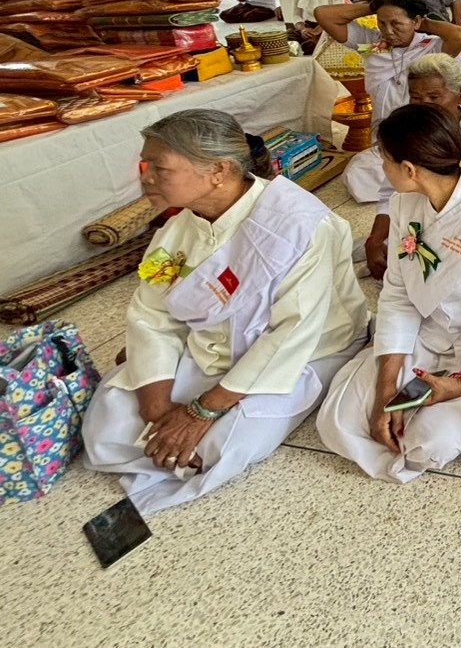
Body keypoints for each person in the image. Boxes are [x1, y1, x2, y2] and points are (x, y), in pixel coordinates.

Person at [81, 110, 368, 515]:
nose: (145, 178)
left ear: (218, 170)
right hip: (208, 346)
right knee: (104, 428)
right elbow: (152, 317)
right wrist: (159, 409)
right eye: (145, 166)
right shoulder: (178, 229)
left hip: (303, 353)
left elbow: (292, 333)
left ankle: (190, 437)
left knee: (224, 445)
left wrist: (202, 410)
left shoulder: (300, 225)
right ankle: (170, 437)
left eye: (159, 168)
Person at [317, 103, 461, 482]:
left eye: (384, 160)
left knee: (431, 444)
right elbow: (396, 293)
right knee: (340, 419)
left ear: (408, 169)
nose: (383, 169)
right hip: (430, 331)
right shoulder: (403, 203)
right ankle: (397, 391)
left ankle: (456, 393)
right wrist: (386, 389)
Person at [362, 53, 461, 281]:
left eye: (434, 97)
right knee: (393, 259)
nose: (425, 107)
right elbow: (390, 192)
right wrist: (374, 239)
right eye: (416, 98)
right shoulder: (413, 126)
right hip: (424, 208)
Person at [318, 0, 461, 209]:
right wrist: (375, 6)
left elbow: (459, 34)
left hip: (429, 135)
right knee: (357, 174)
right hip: (392, 138)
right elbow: (323, 15)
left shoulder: (432, 46)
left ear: (416, 21)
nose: (387, 31)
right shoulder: (371, 41)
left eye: (396, 24)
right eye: (382, 23)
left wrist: (422, 24)